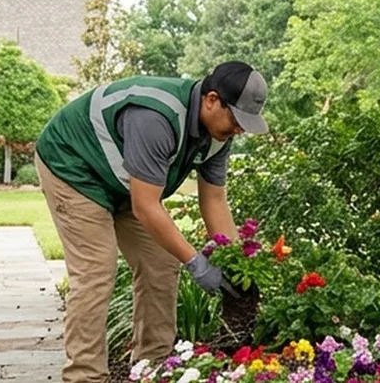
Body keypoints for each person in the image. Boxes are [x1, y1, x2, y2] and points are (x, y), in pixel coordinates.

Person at [34, 61, 269, 382]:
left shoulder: (219, 133)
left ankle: (152, 369)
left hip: (127, 181)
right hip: (75, 168)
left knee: (160, 261)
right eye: (237, 120)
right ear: (212, 99)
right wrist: (197, 264)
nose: (239, 130)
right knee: (96, 271)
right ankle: (85, 376)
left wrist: (236, 265)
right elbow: (146, 206)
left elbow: (214, 201)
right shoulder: (156, 117)